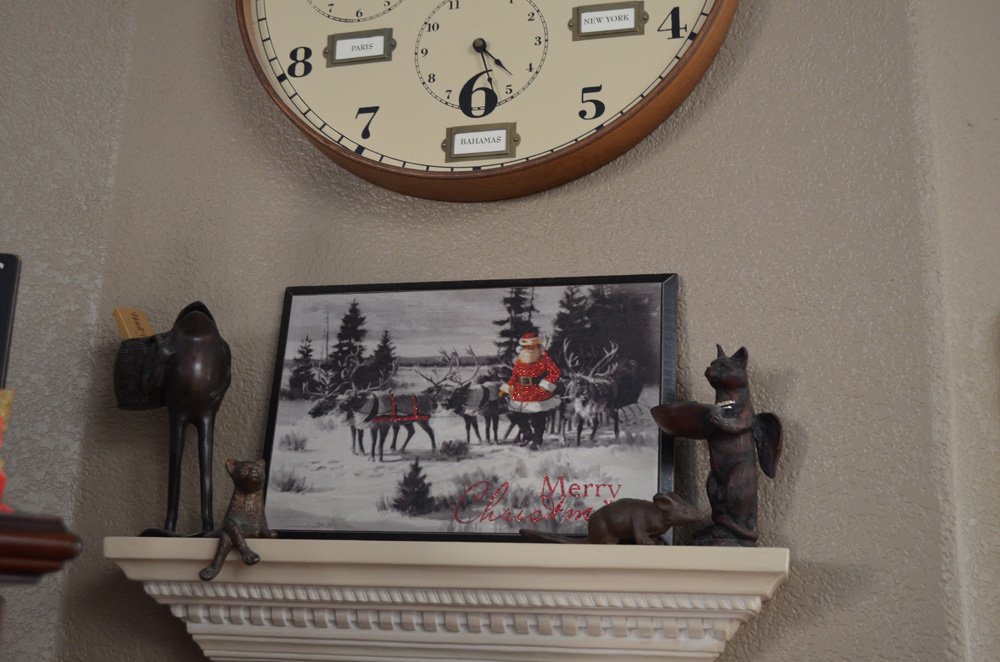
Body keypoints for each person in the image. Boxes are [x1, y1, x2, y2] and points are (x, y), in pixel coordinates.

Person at [499, 332, 561, 450]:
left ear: (537, 346)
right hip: (521, 390)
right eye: (525, 347)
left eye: (531, 346)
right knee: (516, 414)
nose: (528, 349)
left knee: (538, 418)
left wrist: (545, 385)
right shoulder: (520, 360)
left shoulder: (544, 358)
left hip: (538, 390)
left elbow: (555, 372)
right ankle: (527, 435)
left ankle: (537, 440)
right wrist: (507, 387)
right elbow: (515, 376)